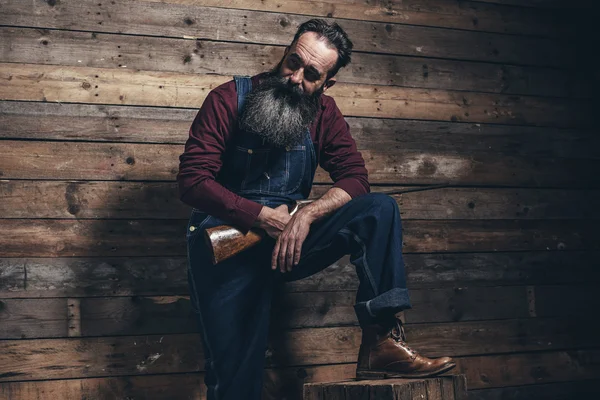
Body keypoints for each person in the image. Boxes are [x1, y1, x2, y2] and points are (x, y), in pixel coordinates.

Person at [177, 19, 455, 400]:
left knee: (378, 210)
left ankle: (381, 342)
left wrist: (306, 215)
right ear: (285, 53)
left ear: (327, 83)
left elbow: (356, 178)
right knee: (234, 383)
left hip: (287, 244)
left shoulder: (324, 113)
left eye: (311, 74)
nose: (295, 78)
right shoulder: (228, 98)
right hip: (225, 251)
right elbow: (192, 181)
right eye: (293, 62)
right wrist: (261, 216)